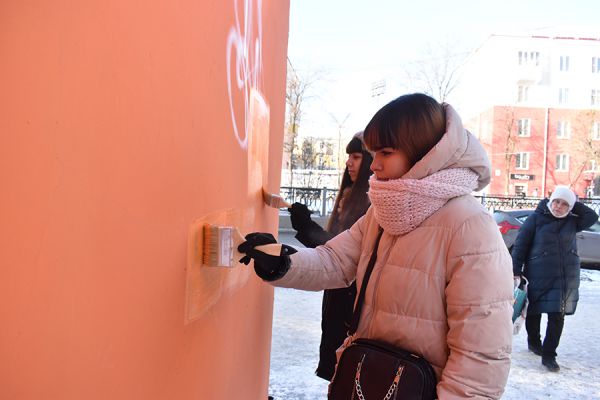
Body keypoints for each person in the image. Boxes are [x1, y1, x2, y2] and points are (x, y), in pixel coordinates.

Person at [239, 93, 514, 398]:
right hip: (368, 379)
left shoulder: (470, 225)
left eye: (385, 153)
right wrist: (280, 260)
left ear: (425, 154)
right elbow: (335, 262)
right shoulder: (382, 213)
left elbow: (481, 353)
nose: (375, 165)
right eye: (373, 153)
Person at [287, 132, 373, 381]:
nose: (349, 162)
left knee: (348, 378)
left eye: (356, 156)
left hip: (353, 306)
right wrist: (306, 227)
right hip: (338, 299)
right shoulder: (349, 198)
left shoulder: (373, 206)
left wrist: (307, 228)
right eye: (349, 156)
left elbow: (345, 255)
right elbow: (335, 247)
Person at [512, 186, 598, 372]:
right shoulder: (536, 219)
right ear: (551, 201)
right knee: (534, 312)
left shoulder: (572, 222)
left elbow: (592, 217)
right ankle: (534, 342)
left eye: (565, 204)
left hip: (564, 278)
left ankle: (549, 355)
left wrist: (574, 204)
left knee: (557, 315)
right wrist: (516, 270)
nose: (559, 206)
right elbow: (520, 245)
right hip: (537, 274)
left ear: (571, 207)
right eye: (557, 201)